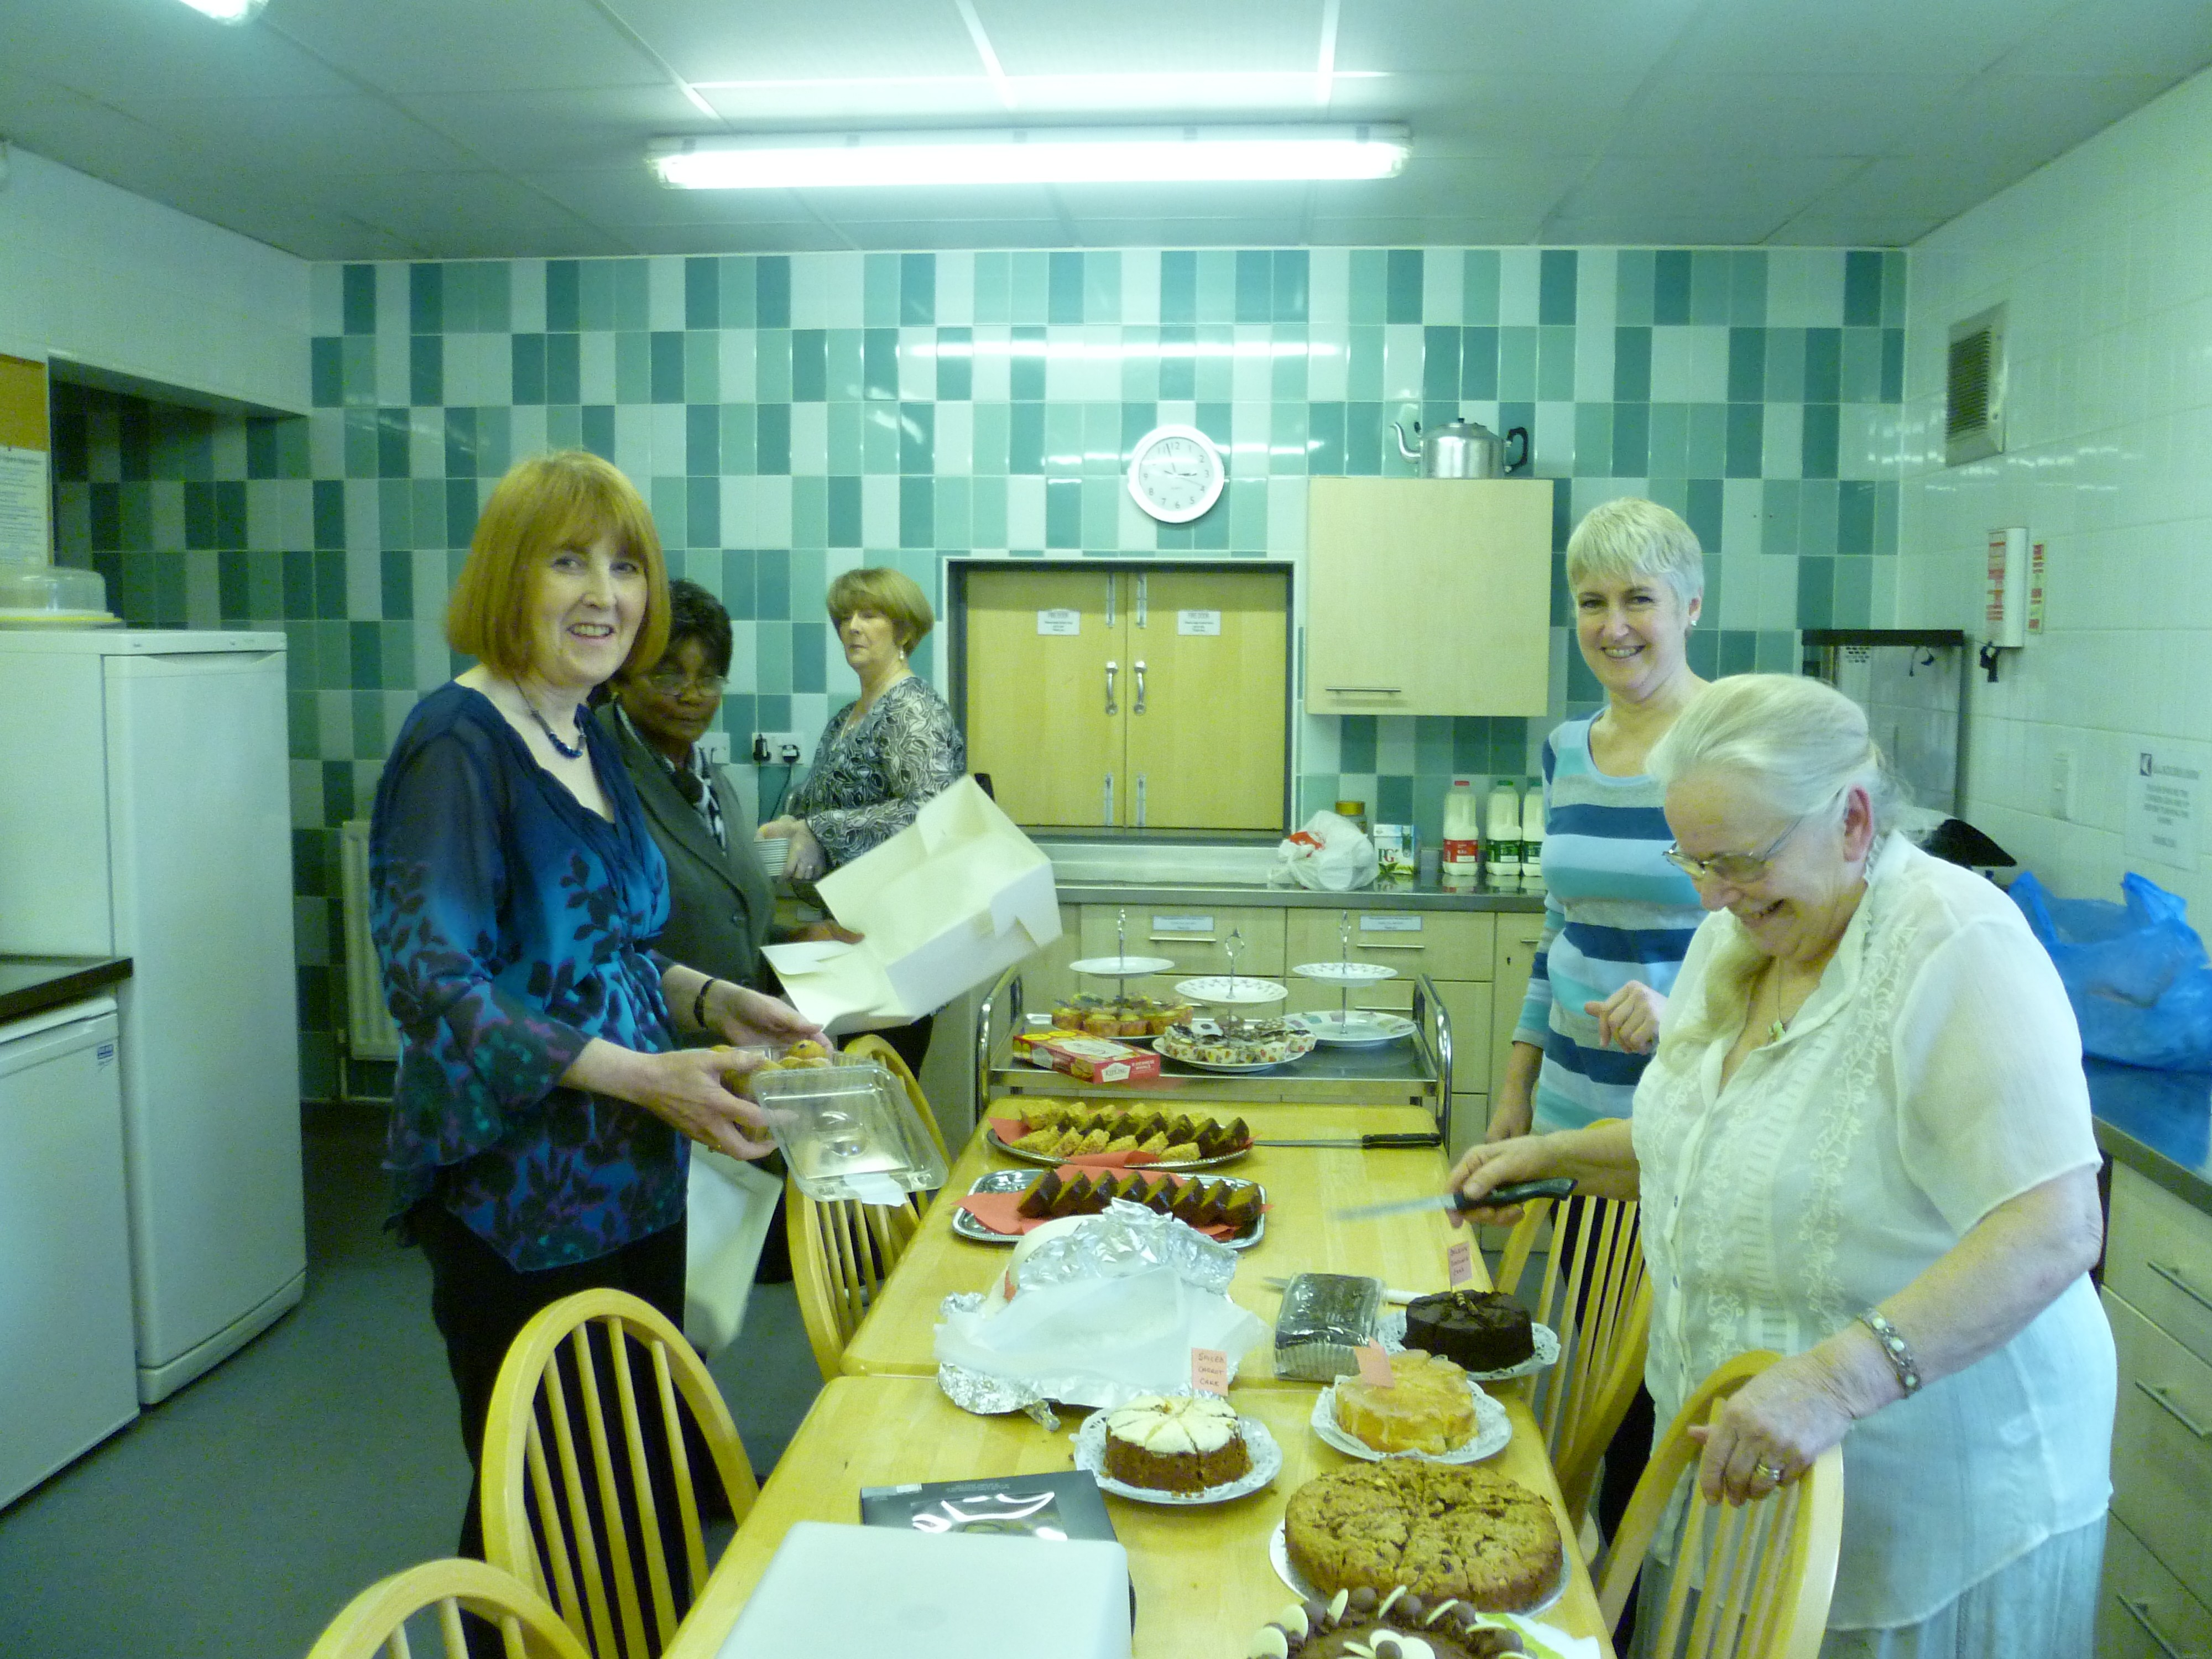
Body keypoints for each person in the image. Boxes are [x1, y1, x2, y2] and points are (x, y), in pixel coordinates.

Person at [1449, 674, 2115, 1658]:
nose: (1710, 894)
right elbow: (1710, 1141)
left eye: (1738, 860)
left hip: (1929, 1503)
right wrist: (1552, 1156)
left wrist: (1837, 1383)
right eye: (1694, 859)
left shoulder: (1956, 943)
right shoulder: (1744, 935)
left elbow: (2056, 1226)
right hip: (1745, 1482)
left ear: (1852, 821)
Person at [369, 451, 819, 1569]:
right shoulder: (458, 742)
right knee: (540, 1502)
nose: (604, 595)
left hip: (635, 1175)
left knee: (628, 1482)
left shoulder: (581, 732)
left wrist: (716, 999)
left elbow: (604, 946)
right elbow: (434, 981)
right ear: (508, 576)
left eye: (626, 567)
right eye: (567, 562)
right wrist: (640, 1075)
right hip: (518, 1193)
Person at [1490, 496, 1709, 1142]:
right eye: (1592, 603)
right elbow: (1559, 928)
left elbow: (1793, 940)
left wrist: (1685, 1012)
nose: (1614, 627)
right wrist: (1516, 1093)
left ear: (1690, 607)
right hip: (1568, 1103)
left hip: (1690, 1112)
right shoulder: (1565, 751)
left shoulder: (1735, 741)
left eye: (1638, 599)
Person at [759, 565, 964, 1074]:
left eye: (870, 615)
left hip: (899, 944)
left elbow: (934, 814)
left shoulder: (913, 710)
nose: (852, 627)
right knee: (843, 1089)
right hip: (852, 938)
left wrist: (819, 831)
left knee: (877, 1089)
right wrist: (789, 824)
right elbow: (825, 799)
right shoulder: (848, 716)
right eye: (844, 617)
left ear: (904, 630)